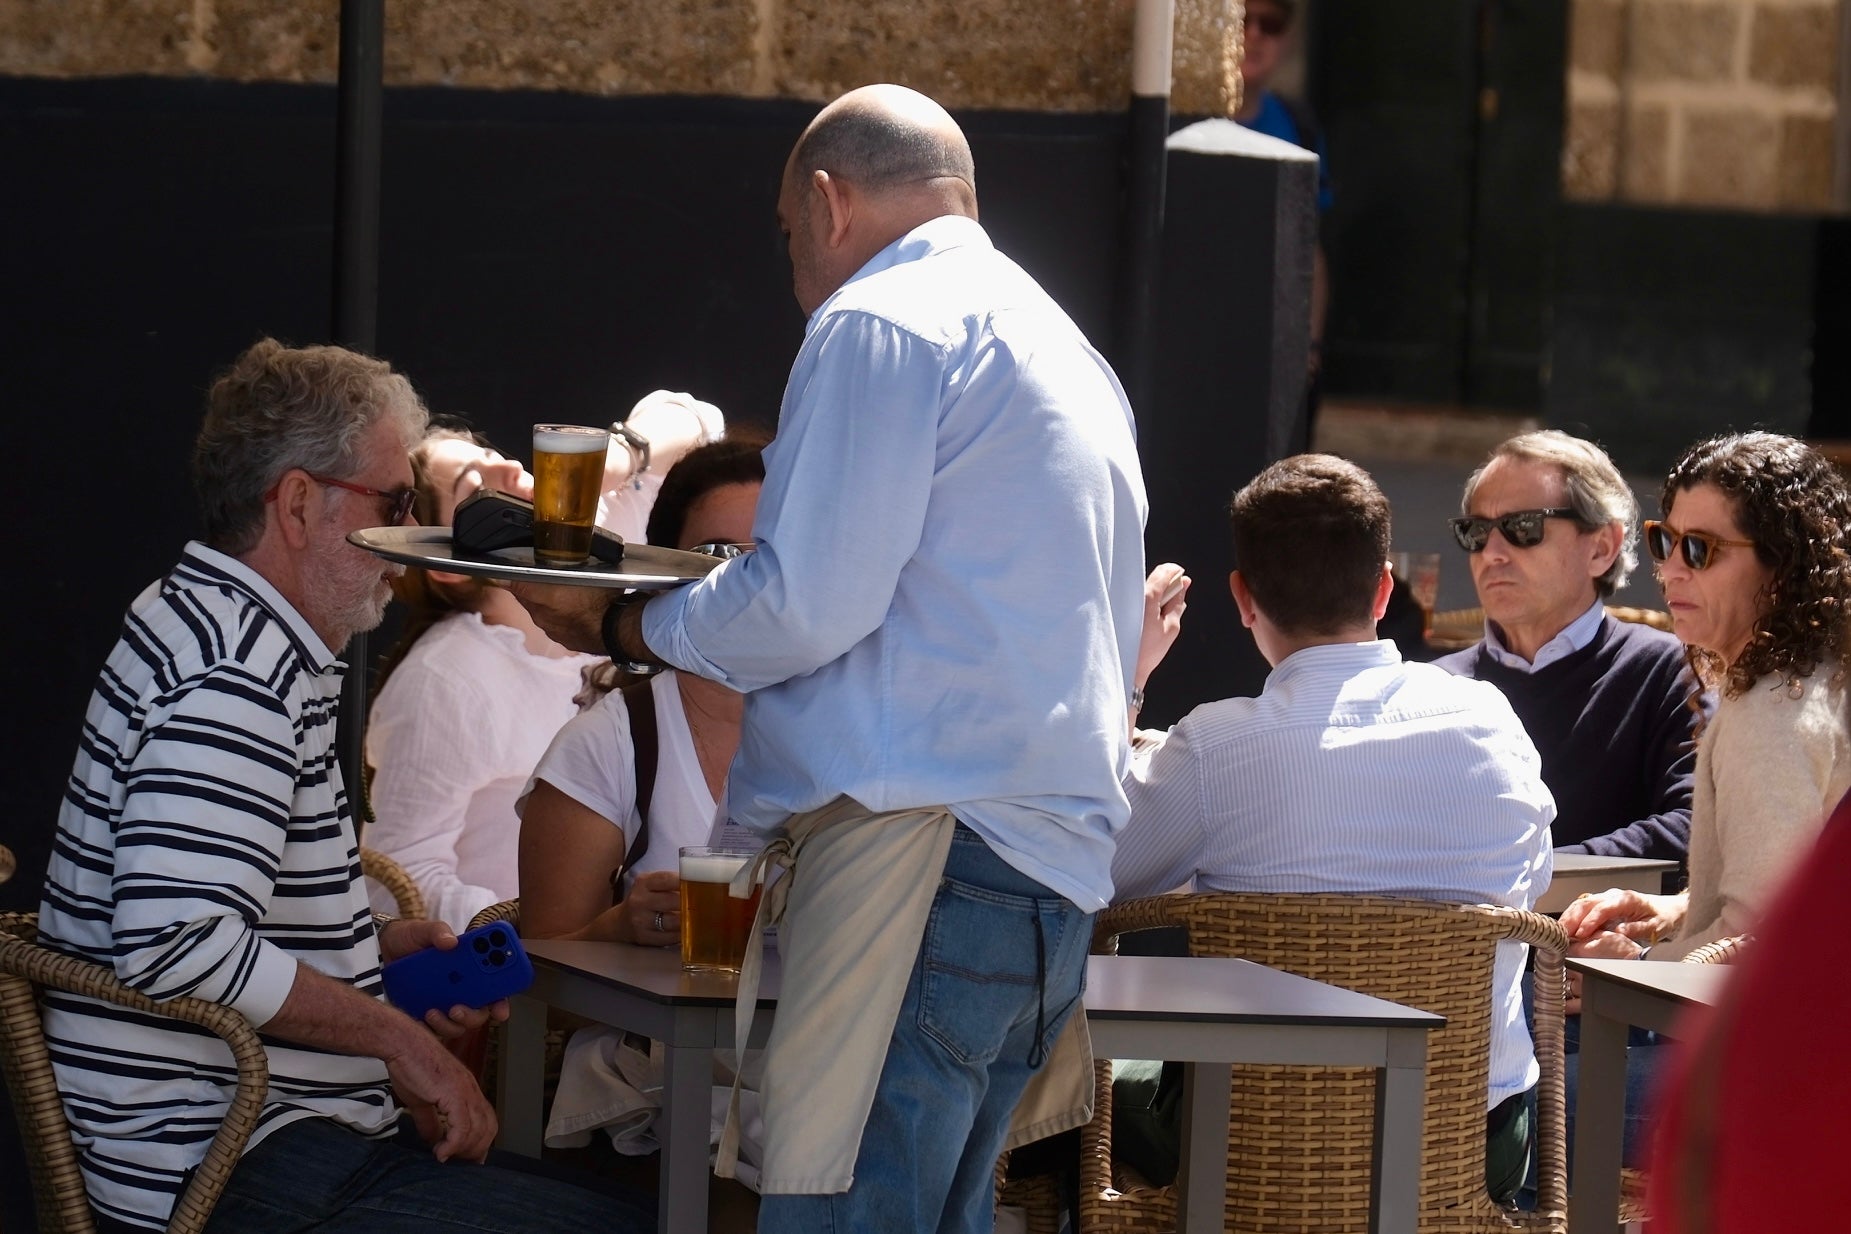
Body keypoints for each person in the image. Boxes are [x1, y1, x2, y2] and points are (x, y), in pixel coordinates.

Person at [510, 84, 1147, 1234]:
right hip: (1039, 881)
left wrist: (614, 626)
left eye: (786, 229)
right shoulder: (1063, 346)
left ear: (826, 201)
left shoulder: (881, 316)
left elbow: (807, 601)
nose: (794, 257)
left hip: (923, 863)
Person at [36, 339, 649, 1234]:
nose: (405, 537)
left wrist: (365, 949)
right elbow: (177, 940)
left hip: (247, 1139)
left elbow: (202, 912)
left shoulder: (209, 620)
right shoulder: (236, 674)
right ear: (295, 502)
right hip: (225, 1161)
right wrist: (399, 1041)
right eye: (395, 502)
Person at [1111, 454, 1556, 1206]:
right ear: (1386, 588)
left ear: (1242, 598)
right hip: (1465, 1149)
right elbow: (1529, 881)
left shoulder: (1215, 749)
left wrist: (1128, 682)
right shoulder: (1492, 724)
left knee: (1081, 1078)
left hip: (1244, 1146)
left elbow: (1094, 864)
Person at [515, 433, 766, 1185]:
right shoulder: (614, 740)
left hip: (817, 1062)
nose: (745, 583)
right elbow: (535, 984)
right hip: (663, 1096)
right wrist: (619, 929)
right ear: (664, 573)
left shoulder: (852, 732)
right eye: (721, 554)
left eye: (772, 557)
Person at [1562, 431, 1851, 961]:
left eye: (1700, 549)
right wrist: (1671, 911)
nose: (1671, 569)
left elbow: (1757, 943)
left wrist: (1635, 967)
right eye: (1664, 541)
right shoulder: (1819, 672)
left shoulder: (1772, 712)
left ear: (1782, 568)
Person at [1435, 430, 1703, 861]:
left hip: (1603, 927)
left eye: (1523, 528)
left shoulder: (1670, 672)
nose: (1492, 553)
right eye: (1476, 532)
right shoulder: (1433, 688)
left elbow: (1695, 825)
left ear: (1601, 548)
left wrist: (1539, 878)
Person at [1646, 787, 1851, 1233]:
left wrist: (1642, 961)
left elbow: (1757, 913)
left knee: (1549, 1093)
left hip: (1779, 1113)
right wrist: (1676, 907)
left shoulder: (1769, 717)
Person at [1236, 0, 1330, 376]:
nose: (1254, 35)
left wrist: (1311, 344)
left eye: (1270, 24)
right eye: (1243, 20)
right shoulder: (1177, 122)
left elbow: (1311, 250)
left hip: (1274, 351)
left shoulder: (1298, 125)